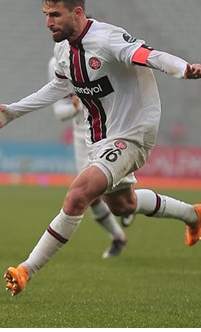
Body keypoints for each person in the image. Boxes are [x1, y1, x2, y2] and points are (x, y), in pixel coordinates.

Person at [0, 0, 201, 296]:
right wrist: (13, 111)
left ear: (77, 13)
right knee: (123, 205)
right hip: (101, 139)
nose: (48, 22)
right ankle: (193, 214)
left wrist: (184, 69)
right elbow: (58, 87)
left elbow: (149, 55)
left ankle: (26, 269)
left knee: (78, 194)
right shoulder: (64, 49)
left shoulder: (107, 39)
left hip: (133, 133)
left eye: (55, 14)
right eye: (45, 14)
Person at [48, 56, 135, 259]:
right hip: (82, 137)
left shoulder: (101, 56)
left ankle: (132, 199)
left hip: (109, 131)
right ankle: (118, 237)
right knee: (89, 196)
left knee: (118, 198)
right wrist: (76, 107)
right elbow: (59, 111)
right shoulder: (56, 63)